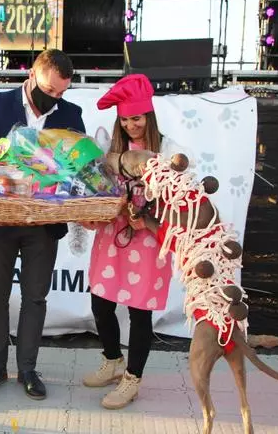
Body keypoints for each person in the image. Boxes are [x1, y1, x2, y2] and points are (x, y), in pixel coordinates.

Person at [0, 49, 86, 400]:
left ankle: (28, 369)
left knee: (35, 298)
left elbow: (80, 172)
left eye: (62, 93)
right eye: (50, 90)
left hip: (44, 226)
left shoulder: (72, 115)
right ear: (32, 76)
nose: (55, 98)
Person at [80, 74, 173, 409]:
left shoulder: (171, 150)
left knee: (139, 311)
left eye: (136, 117)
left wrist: (146, 215)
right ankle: (112, 360)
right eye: (125, 120)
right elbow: (98, 191)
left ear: (148, 116)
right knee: (101, 302)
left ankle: (133, 379)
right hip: (112, 235)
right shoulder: (111, 153)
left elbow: (179, 201)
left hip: (149, 241)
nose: (132, 125)